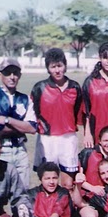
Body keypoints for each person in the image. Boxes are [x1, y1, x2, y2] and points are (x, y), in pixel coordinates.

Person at [31, 48, 83, 189]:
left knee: (68, 184)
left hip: (68, 137)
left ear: (65, 65)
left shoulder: (74, 87)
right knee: (49, 182)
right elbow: (33, 113)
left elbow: (79, 113)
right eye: (53, 67)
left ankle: (67, 204)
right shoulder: (39, 88)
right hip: (47, 138)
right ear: (48, 68)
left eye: (59, 66)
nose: (57, 70)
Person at [0, 58, 37, 189]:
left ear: (20, 75)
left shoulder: (25, 99)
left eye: (15, 73)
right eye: (7, 73)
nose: (12, 77)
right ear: (0, 75)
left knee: (22, 192)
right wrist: (22, 127)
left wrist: (8, 120)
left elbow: (33, 128)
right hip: (0, 150)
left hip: (20, 150)